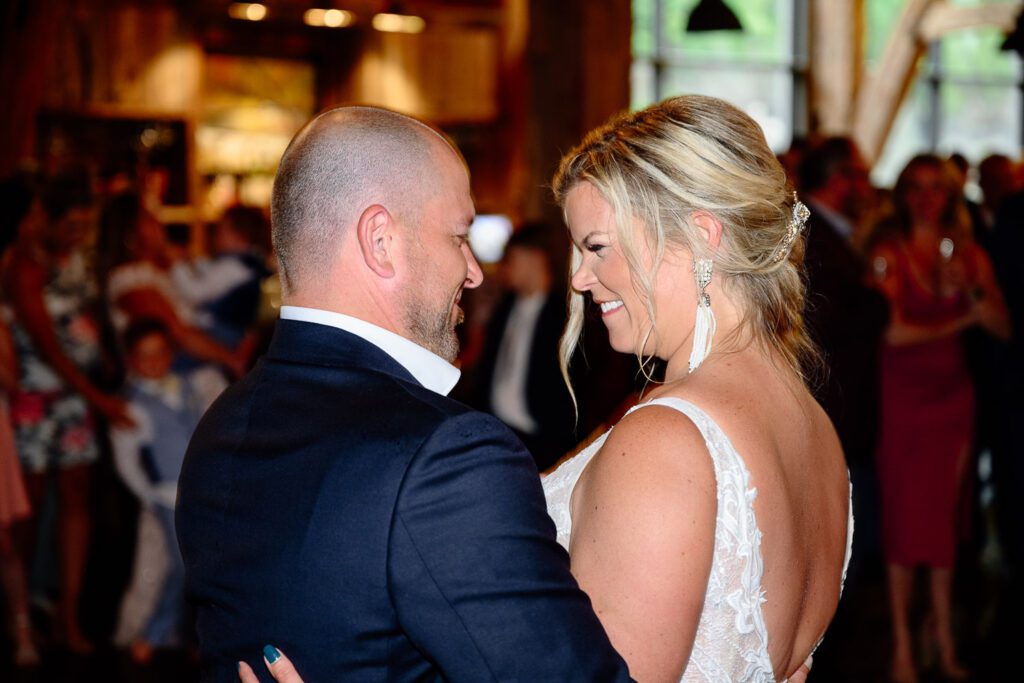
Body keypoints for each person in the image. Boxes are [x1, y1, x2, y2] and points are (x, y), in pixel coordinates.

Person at [177, 105, 631, 682]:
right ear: (381, 240)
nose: (474, 272)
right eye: (459, 237)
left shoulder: (220, 425)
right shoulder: (445, 458)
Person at [540, 94, 852, 681]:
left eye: (597, 247)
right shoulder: (814, 426)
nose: (580, 278)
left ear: (703, 236)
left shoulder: (667, 440)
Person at [868, 154, 1010, 683]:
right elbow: (894, 332)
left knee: (945, 524)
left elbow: (1002, 326)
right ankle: (903, 648)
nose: (928, 198)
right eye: (917, 188)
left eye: (937, 189)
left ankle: (944, 639)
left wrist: (969, 292)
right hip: (902, 399)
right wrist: (961, 318)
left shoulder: (970, 256)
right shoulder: (886, 255)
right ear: (903, 195)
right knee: (907, 527)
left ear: (951, 196)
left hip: (953, 399)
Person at [2, 168, 131, 654]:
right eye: (70, 224)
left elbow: (89, 318)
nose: (79, 234)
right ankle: (25, 610)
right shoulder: (21, 267)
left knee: (77, 500)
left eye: (85, 225)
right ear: (42, 220)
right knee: (28, 512)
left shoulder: (80, 261)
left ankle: (68, 616)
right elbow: (47, 345)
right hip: (34, 399)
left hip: (76, 397)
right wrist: (97, 398)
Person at [798, 137, 889, 577]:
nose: (869, 186)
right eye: (862, 175)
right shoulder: (812, 235)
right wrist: (879, 300)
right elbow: (824, 323)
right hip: (832, 412)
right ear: (841, 180)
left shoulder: (828, 230)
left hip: (839, 415)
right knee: (837, 563)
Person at [111, 319, 226, 663]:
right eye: (144, 356)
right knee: (179, 566)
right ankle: (154, 633)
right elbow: (126, 462)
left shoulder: (191, 386)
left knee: (203, 564)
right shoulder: (132, 406)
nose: (154, 362)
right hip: (167, 497)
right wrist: (149, 494)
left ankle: (194, 637)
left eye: (160, 353)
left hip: (201, 494)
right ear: (131, 360)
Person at [466, 222, 576, 471]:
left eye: (512, 257)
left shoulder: (565, 319)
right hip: (493, 432)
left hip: (543, 446)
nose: (505, 267)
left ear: (535, 258)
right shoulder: (503, 310)